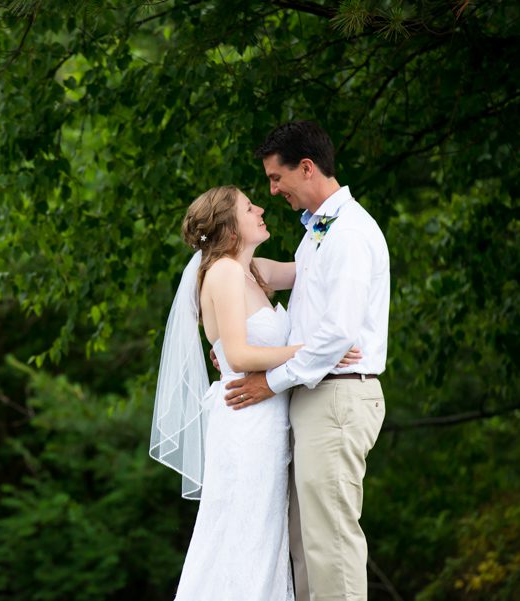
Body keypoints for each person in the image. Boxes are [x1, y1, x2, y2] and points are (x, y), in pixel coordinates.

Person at [149, 185, 360, 599]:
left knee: (264, 538)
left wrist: (333, 217)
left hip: (267, 421)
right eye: (249, 208)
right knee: (242, 537)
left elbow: (311, 266)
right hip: (246, 423)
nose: (261, 208)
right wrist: (318, 353)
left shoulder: (253, 270)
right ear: (231, 229)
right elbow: (240, 355)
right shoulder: (224, 273)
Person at [224, 121, 389, 601]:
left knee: (329, 542)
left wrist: (270, 380)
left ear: (308, 168)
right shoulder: (320, 230)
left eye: (277, 178)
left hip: (337, 396)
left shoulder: (350, 233)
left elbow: (337, 333)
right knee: (303, 544)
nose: (273, 191)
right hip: (315, 394)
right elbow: (292, 292)